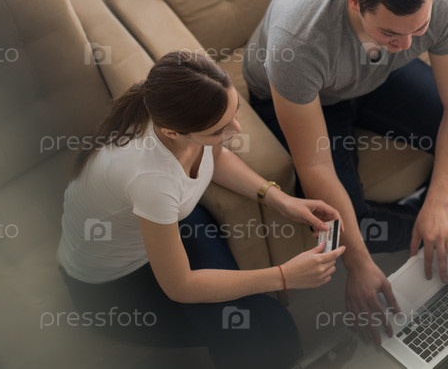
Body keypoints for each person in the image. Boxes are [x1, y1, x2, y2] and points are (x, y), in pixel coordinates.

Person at [243, 0, 448, 345]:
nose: (407, 44)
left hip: (376, 77)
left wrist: (439, 204)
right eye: (390, 32)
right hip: (309, 97)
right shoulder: (298, 42)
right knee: (350, 229)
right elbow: (315, 166)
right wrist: (359, 264)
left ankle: (435, 223)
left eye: (419, 29)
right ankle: (442, 234)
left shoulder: (442, 2)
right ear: (354, 1)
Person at [57, 50, 345, 369]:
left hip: (171, 222)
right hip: (114, 285)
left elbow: (215, 157)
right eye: (219, 130)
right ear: (172, 133)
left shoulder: (177, 109)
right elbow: (180, 285)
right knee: (241, 335)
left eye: (234, 114)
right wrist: (283, 276)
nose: (235, 130)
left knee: (275, 322)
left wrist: (280, 199)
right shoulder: (150, 177)